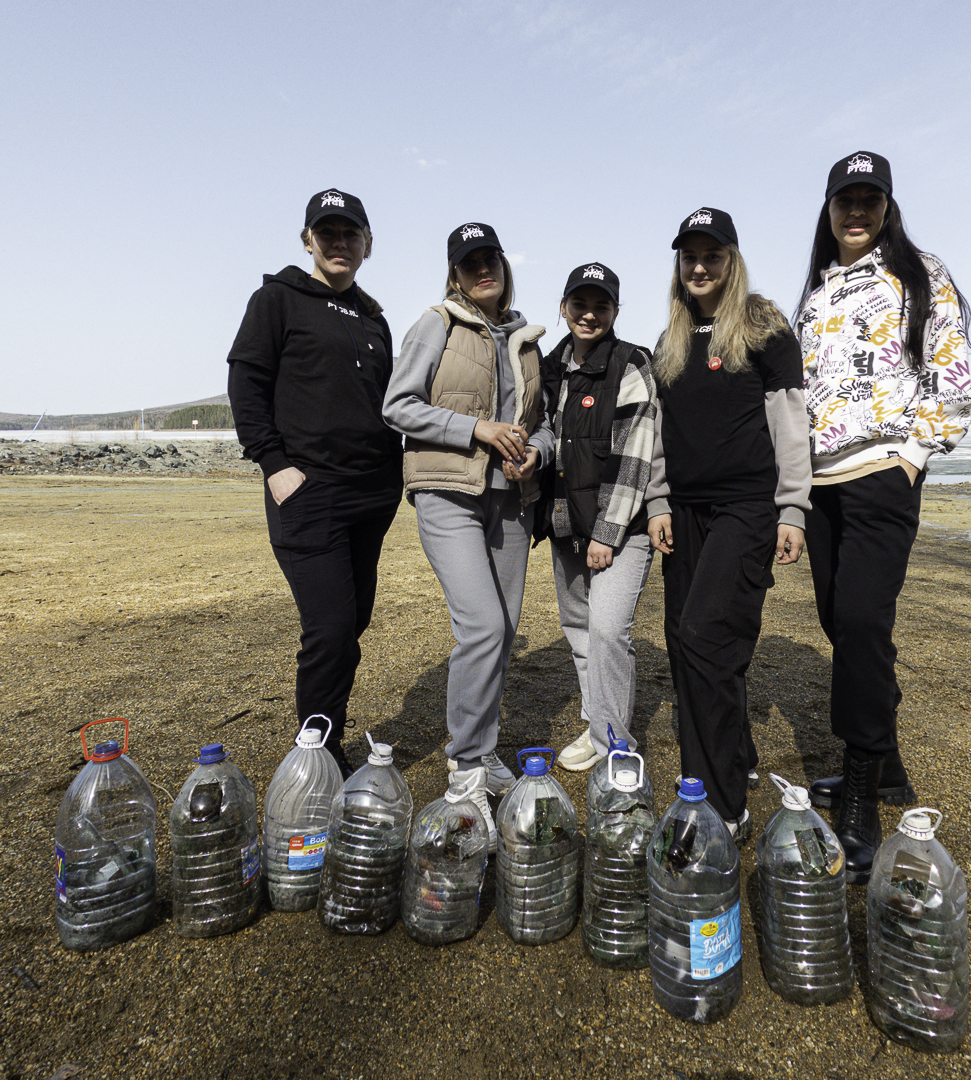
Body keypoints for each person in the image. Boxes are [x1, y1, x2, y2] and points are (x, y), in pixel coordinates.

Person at [794, 151, 971, 883]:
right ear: (830, 209)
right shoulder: (816, 294)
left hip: (882, 477)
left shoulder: (922, 273)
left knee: (864, 624)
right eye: (845, 200)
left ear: (888, 206)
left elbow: (949, 363)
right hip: (820, 485)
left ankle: (863, 793)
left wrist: (916, 452)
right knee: (845, 625)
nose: (856, 212)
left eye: (869, 200)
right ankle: (889, 759)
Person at [645, 207, 812, 840]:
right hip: (684, 509)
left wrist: (792, 507)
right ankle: (726, 765)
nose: (699, 265)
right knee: (685, 642)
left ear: (732, 260)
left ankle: (720, 811)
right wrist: (658, 500)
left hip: (746, 506)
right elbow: (660, 431)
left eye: (712, 254)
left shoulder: (765, 330)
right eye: (689, 255)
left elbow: (791, 426)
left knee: (706, 634)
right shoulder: (671, 341)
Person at [382, 222, 553, 839]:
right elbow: (397, 405)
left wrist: (537, 450)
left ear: (506, 265)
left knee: (503, 631)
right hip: (447, 492)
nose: (484, 269)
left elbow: (543, 422)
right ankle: (463, 770)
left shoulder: (527, 337)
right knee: (480, 625)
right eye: (471, 261)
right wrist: (476, 429)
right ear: (456, 272)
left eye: (492, 259)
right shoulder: (437, 323)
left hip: (511, 499)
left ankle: (483, 752)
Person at [226, 189, 402, 777]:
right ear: (308, 240)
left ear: (367, 244)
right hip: (309, 493)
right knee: (328, 628)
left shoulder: (374, 318)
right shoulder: (276, 299)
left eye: (350, 233)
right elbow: (247, 383)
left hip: (370, 495)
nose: (339, 243)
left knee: (351, 624)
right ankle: (317, 754)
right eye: (327, 233)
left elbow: (389, 402)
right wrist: (275, 465)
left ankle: (328, 724)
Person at [539, 263, 659, 772]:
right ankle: (595, 723)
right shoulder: (548, 368)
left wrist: (608, 534)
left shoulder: (630, 364)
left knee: (609, 631)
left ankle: (615, 744)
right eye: (580, 304)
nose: (590, 315)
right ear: (564, 307)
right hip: (567, 524)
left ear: (615, 311)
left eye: (601, 306)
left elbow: (636, 456)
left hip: (621, 528)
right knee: (579, 627)